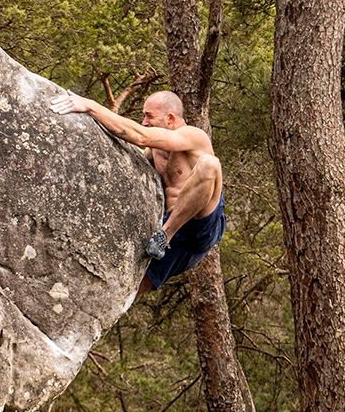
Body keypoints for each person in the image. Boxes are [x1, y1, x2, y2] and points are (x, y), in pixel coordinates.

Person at [49, 88, 224, 292]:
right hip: (173, 233)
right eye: (143, 116)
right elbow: (130, 154)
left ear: (170, 118)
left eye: (149, 115)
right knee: (126, 291)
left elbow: (139, 136)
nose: (144, 121)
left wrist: (90, 106)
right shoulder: (156, 150)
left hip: (200, 224)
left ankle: (164, 234)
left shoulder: (194, 136)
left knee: (210, 164)